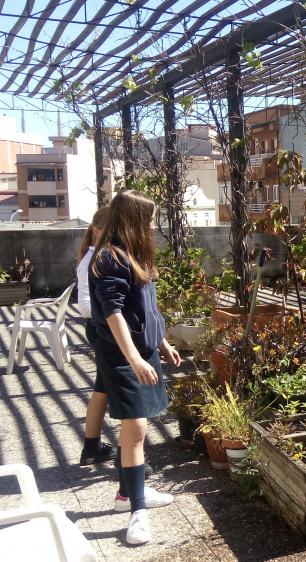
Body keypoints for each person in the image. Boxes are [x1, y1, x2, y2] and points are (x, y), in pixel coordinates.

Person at [90, 190, 181, 544]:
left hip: (142, 351)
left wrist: (162, 343)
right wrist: (134, 358)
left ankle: (128, 494)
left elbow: (146, 308)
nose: (153, 226)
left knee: (135, 429)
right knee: (137, 428)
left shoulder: (133, 255)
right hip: (123, 356)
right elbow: (113, 313)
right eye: (150, 220)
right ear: (133, 220)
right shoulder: (110, 258)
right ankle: (137, 512)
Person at [77, 207, 114, 466]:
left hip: (103, 327)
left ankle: (91, 447)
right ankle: (128, 456)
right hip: (102, 330)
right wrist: (112, 313)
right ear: (97, 231)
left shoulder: (99, 257)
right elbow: (84, 306)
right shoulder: (92, 261)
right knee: (113, 387)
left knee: (102, 387)